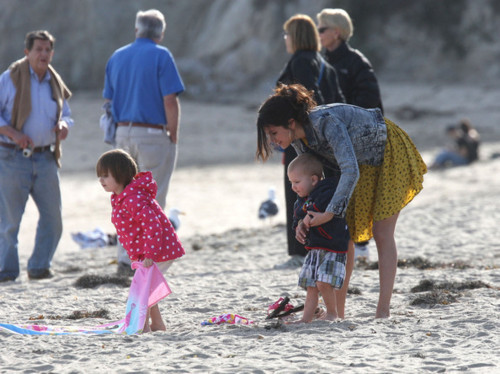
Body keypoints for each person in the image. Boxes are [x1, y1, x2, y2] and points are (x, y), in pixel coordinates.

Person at [256, 84, 427, 318]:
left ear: (291, 123)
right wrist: (301, 220)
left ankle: (383, 311)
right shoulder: (299, 140)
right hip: (357, 164)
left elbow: (350, 170)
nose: (272, 140)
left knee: (382, 232)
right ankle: (337, 312)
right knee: (343, 234)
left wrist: (328, 213)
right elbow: (312, 186)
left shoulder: (325, 122)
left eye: (274, 133)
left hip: (387, 150)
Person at [103, 9, 185, 276]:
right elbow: (170, 100)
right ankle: (150, 262)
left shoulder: (117, 56)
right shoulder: (162, 55)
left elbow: (108, 101)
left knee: (122, 197)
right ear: (160, 33)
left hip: (122, 134)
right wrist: (173, 134)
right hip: (152, 134)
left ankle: (126, 259)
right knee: (152, 199)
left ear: (137, 30)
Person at [0, 30, 73, 282]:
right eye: (38, 49)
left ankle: (40, 267)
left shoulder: (55, 80)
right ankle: (6, 271)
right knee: (9, 221)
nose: (43, 54)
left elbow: (67, 113)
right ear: (27, 52)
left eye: (47, 50)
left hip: (46, 158)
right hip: (12, 157)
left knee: (53, 218)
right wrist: (12, 132)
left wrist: (64, 126)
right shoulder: (10, 79)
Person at [275, 14, 344, 270]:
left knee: (296, 189)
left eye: (287, 34)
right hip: (324, 139)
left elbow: (304, 99)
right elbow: (338, 98)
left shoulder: (301, 60)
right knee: (318, 190)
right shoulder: (323, 62)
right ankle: (317, 244)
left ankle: (300, 250)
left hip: (303, 137)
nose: (285, 39)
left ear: (296, 36)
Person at [317, 8, 385, 259]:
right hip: (326, 137)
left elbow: (371, 104)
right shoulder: (320, 62)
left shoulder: (357, 62)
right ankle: (337, 241)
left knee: (358, 189)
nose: (318, 33)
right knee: (330, 186)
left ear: (337, 32)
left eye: (322, 28)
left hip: (355, 136)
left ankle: (362, 244)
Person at [96, 149, 185, 332]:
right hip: (148, 252)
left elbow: (153, 226)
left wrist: (149, 254)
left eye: (105, 176)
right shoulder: (121, 198)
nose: (101, 180)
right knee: (147, 286)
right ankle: (158, 324)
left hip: (159, 250)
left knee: (143, 289)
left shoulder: (133, 198)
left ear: (120, 175)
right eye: (100, 176)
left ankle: (142, 326)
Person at [287, 153, 349, 323]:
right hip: (314, 249)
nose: (293, 187)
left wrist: (307, 216)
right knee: (311, 285)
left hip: (333, 248)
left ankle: (332, 313)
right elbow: (297, 218)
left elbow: (319, 205)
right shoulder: (300, 201)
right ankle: (306, 318)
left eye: (297, 182)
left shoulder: (327, 190)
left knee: (323, 282)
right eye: (291, 182)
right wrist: (299, 226)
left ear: (314, 180)